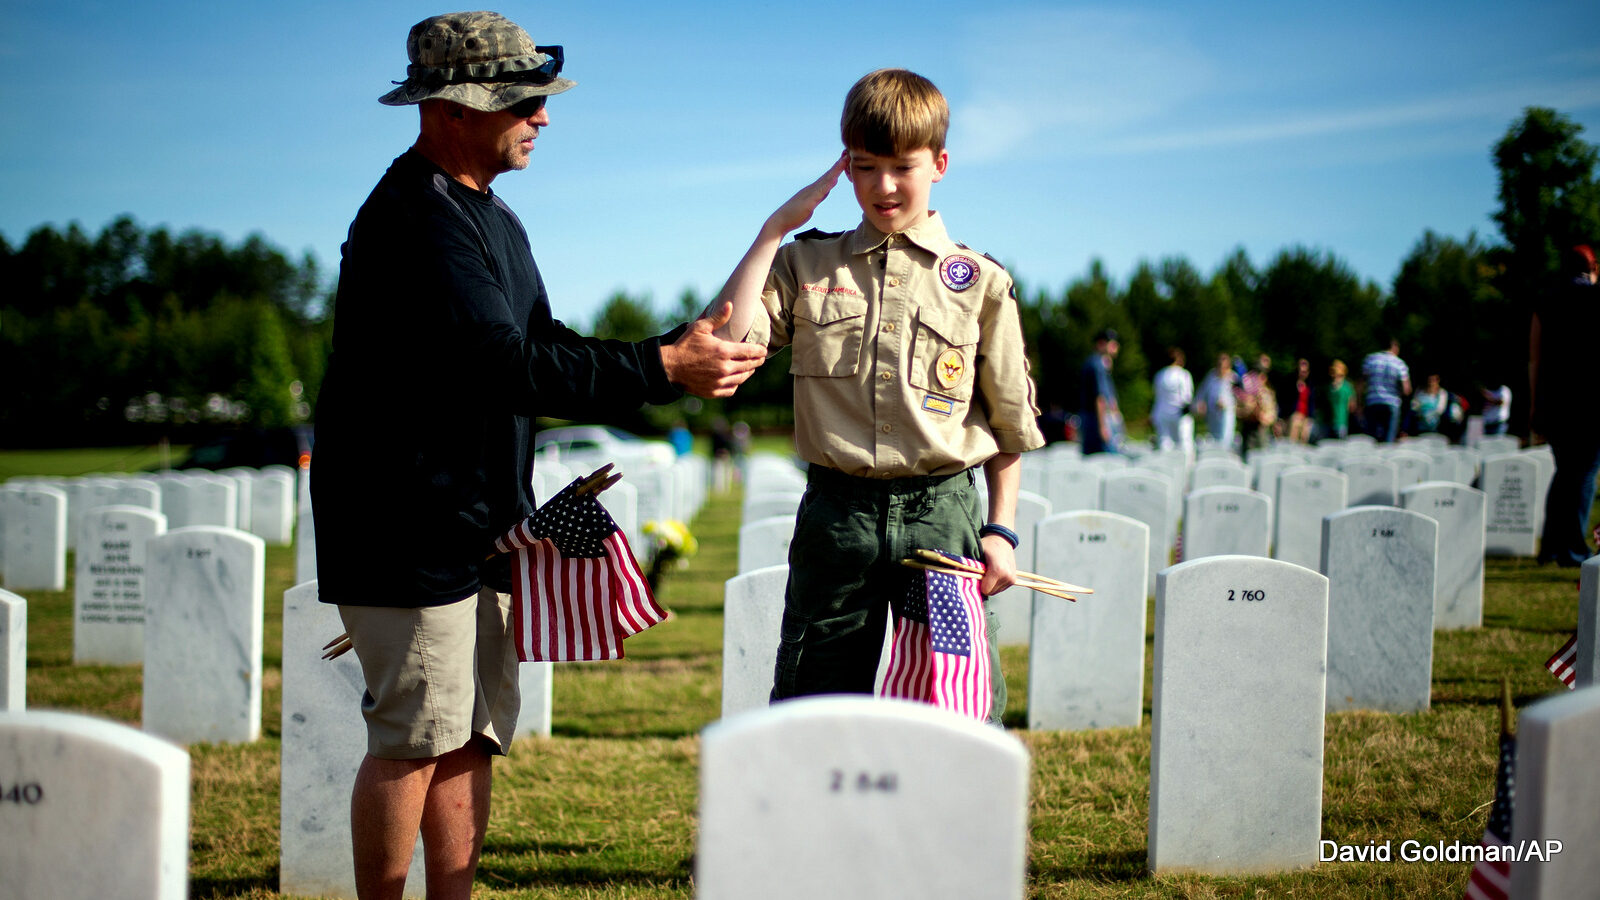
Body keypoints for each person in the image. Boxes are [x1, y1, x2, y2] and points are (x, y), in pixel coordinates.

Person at [311, 13, 765, 899]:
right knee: (412, 735)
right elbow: (504, 365)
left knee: (467, 731)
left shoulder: (489, 216)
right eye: (521, 100)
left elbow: (544, 340)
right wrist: (664, 367)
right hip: (406, 525)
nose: (543, 118)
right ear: (449, 110)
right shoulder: (414, 219)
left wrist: (672, 348)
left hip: (470, 525)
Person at [710, 68, 1044, 723]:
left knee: (960, 705)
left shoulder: (979, 282)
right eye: (865, 167)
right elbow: (724, 339)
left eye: (902, 167)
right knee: (815, 701)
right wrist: (775, 227)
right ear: (846, 167)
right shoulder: (806, 266)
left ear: (939, 164)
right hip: (839, 517)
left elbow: (1011, 424)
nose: (883, 186)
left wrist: (1000, 532)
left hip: (943, 516)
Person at [1532, 243, 1600, 567]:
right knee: (1585, 474)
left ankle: (1550, 547)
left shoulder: (1546, 300)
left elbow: (1535, 358)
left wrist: (1535, 404)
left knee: (1563, 474)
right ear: (1594, 268)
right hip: (1590, 402)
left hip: (1554, 401)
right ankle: (1572, 549)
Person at [1079, 328, 1123, 454]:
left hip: (1095, 418)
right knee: (1105, 456)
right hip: (1097, 419)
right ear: (1101, 344)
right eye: (1112, 343)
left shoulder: (1097, 363)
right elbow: (1100, 398)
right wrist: (1103, 426)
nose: (1116, 346)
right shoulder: (1097, 364)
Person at [1361, 337, 1411, 442]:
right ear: (1395, 347)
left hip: (1372, 401)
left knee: (1372, 439)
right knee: (1389, 440)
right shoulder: (1399, 363)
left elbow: (1362, 382)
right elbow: (1406, 389)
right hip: (1392, 402)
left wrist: (1359, 401)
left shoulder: (1370, 359)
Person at [1150, 347, 1194, 455]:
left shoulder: (1159, 375)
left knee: (1165, 442)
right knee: (1184, 442)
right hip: (1180, 413)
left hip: (1162, 413)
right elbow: (1187, 396)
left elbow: (1157, 395)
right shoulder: (1183, 375)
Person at [1235, 352, 1278, 458]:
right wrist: (1250, 409)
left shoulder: (1268, 392)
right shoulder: (1245, 392)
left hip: (1262, 431)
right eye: (1258, 373)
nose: (1260, 377)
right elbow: (1237, 411)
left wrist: (1265, 417)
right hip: (1248, 430)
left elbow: (1273, 413)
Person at [1194, 352, 1237, 449]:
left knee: (1225, 438)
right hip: (1212, 412)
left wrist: (1226, 404)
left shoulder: (1233, 378)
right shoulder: (1211, 376)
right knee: (1213, 438)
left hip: (1227, 413)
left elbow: (1238, 396)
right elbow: (1202, 392)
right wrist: (1200, 403)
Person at [1322, 359, 1355, 440]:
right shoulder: (1332, 387)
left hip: (1340, 422)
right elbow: (1352, 407)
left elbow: (1352, 406)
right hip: (1332, 423)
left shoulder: (1345, 387)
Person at [1286, 358, 1314, 444]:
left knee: (1304, 439)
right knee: (1292, 439)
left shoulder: (1310, 385)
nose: (1302, 373)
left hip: (1306, 416)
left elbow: (1312, 402)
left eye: (1305, 371)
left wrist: (1310, 416)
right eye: (1301, 371)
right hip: (1295, 415)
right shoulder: (1290, 383)